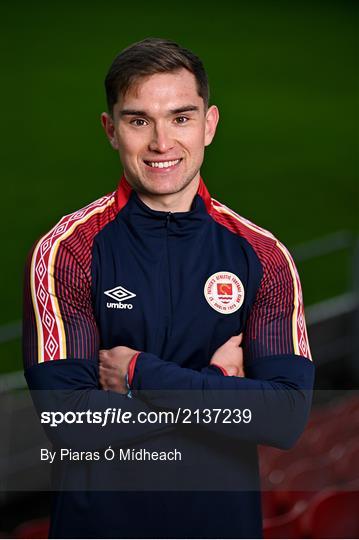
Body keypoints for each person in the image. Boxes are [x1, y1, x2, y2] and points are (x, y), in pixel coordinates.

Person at [23, 38, 315, 539]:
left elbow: (286, 417)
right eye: (139, 121)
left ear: (210, 124)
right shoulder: (66, 252)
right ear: (111, 130)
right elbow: (72, 426)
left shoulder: (264, 256)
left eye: (181, 117)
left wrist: (142, 373)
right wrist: (221, 381)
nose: (162, 143)